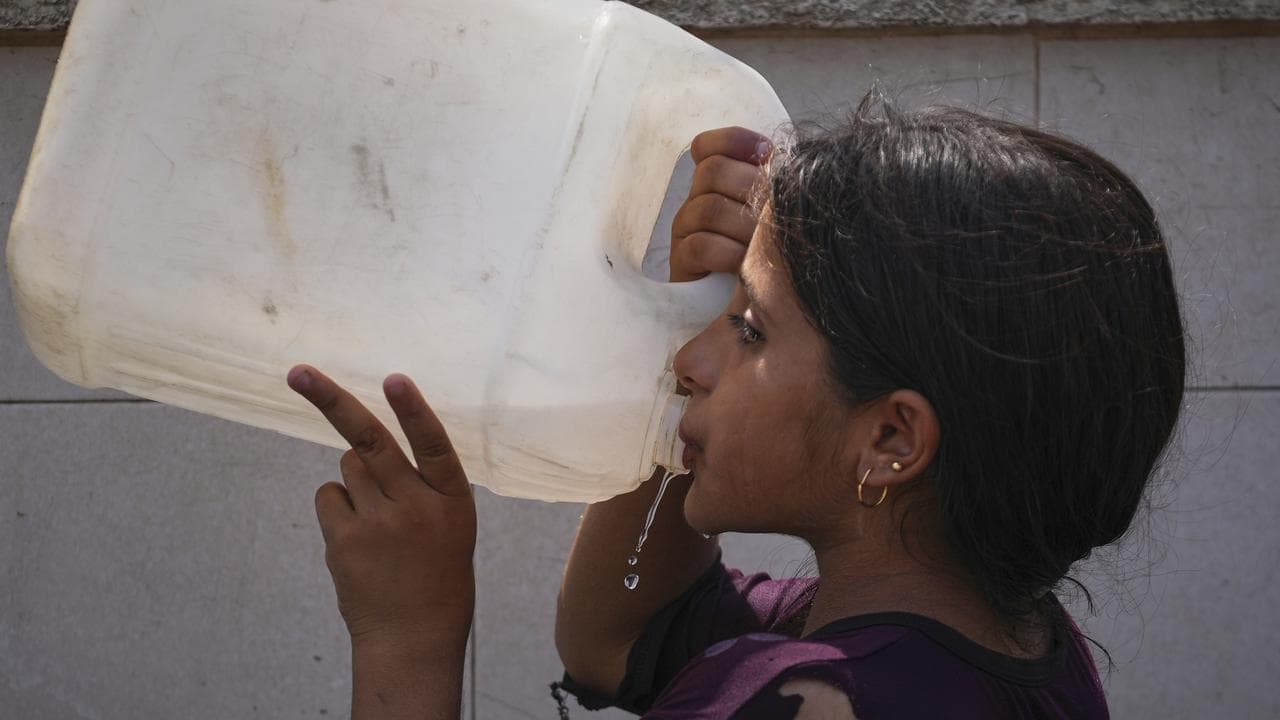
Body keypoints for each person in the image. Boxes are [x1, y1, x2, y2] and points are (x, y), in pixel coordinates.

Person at [286, 98, 1187, 719]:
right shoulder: (1015, 647)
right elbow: (621, 633)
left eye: (747, 330)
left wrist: (407, 638)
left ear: (889, 438)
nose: (685, 359)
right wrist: (705, 294)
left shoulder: (800, 699)